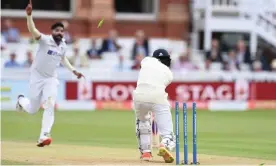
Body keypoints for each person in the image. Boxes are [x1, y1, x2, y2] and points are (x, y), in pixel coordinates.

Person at [16, 1, 84, 147]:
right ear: (52, 32)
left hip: (51, 79)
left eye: (62, 31)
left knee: (49, 105)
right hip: (37, 76)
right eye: (57, 31)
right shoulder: (45, 41)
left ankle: (44, 135)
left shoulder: (64, 45)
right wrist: (29, 16)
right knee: (33, 109)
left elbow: (63, 58)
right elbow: (33, 30)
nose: (60, 33)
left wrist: (73, 70)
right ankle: (21, 100)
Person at [132, 49, 175, 163]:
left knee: (142, 122)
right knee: (168, 133)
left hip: (139, 96)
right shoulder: (169, 73)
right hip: (157, 97)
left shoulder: (146, 61)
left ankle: (146, 152)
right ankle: (164, 144)